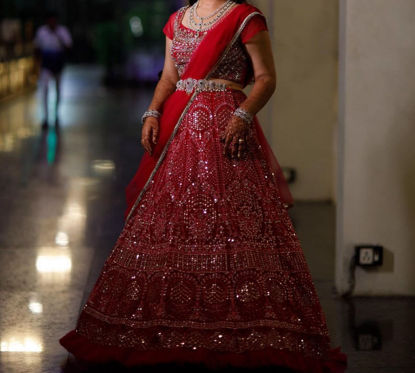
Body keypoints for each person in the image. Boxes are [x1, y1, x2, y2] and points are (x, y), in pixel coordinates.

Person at [59, 1, 347, 371]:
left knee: (234, 226)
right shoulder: (177, 20)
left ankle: (243, 328)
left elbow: (266, 78)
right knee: (170, 227)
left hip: (228, 134)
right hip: (180, 134)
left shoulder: (246, 18)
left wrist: (243, 115)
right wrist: (152, 111)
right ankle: (168, 325)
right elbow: (169, 76)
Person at [34, 11, 72, 129]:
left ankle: (56, 115)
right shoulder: (41, 32)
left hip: (58, 63)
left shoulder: (62, 31)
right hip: (46, 63)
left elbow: (68, 46)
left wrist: (58, 36)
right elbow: (37, 48)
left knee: (58, 90)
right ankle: (45, 117)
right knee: (44, 90)